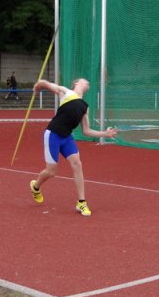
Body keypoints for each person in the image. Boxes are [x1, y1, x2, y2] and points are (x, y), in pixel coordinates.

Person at [29, 78, 118, 216]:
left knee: (77, 164)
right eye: (85, 81)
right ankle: (35, 186)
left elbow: (86, 131)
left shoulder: (84, 106)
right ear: (76, 83)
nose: (88, 83)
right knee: (51, 172)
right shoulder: (66, 92)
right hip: (53, 135)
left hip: (67, 138)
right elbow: (51, 85)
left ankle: (81, 202)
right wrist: (39, 84)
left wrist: (105, 134)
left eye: (89, 83)